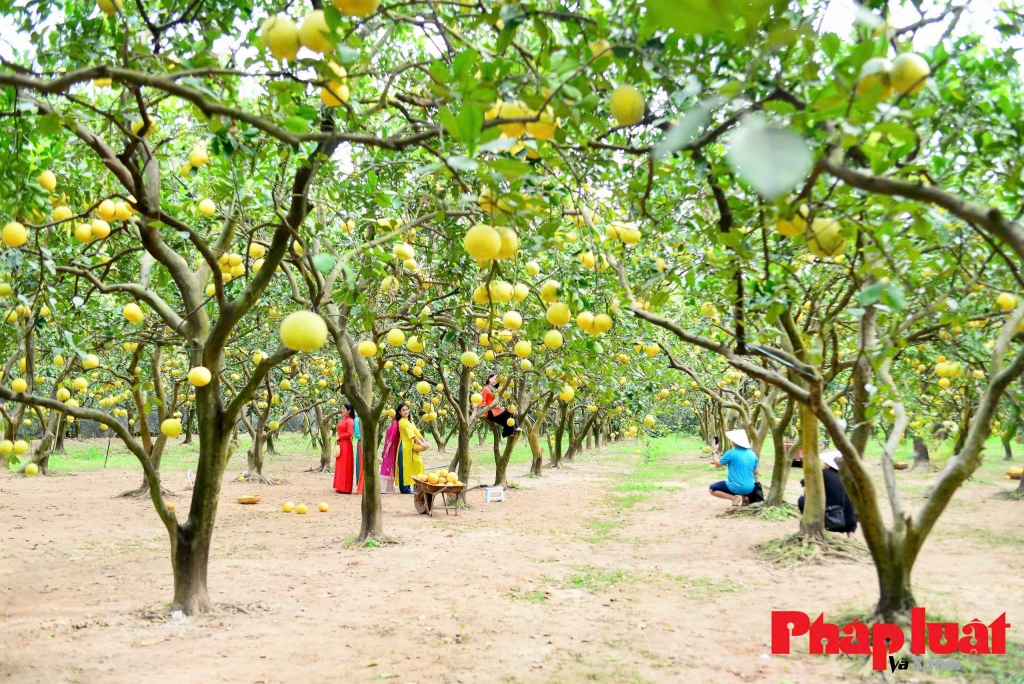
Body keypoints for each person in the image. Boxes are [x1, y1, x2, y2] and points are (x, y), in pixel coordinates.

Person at [798, 451, 858, 536]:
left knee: (802, 499)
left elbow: (806, 491)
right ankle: (851, 536)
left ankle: (811, 528)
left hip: (830, 519)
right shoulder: (850, 477)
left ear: (829, 464)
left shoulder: (823, 473)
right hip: (848, 521)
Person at [709, 429, 759, 506]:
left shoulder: (731, 453)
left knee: (712, 488)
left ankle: (735, 499)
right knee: (744, 480)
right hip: (750, 487)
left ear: (735, 442)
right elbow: (756, 472)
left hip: (735, 487)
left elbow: (718, 464)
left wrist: (715, 451)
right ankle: (745, 498)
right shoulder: (752, 454)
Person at [396, 403, 427, 494]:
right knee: (405, 467)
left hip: (412, 447)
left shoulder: (410, 421)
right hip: (405, 447)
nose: (406, 411)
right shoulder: (402, 421)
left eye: (407, 409)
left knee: (418, 463)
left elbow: (416, 432)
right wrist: (421, 443)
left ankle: (417, 485)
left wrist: (424, 441)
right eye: (403, 410)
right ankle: (405, 489)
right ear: (399, 412)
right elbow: (412, 435)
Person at [476, 373, 519, 438]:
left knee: (509, 412)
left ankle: (509, 432)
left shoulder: (494, 389)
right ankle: (510, 431)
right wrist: (476, 407)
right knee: (508, 412)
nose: (495, 381)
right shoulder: (486, 389)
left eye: (496, 380)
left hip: (495, 410)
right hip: (490, 412)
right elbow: (482, 400)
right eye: (494, 379)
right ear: (489, 378)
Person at [333, 403, 356, 494]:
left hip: (346, 445)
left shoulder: (350, 421)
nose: (342, 410)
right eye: (342, 409)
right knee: (340, 465)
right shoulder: (344, 419)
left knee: (345, 465)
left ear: (349, 410)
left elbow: (350, 433)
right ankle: (340, 486)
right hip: (341, 444)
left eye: (344, 409)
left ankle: (345, 488)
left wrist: (340, 437)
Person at [379, 408, 400, 495]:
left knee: (388, 465)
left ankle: (387, 488)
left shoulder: (395, 423)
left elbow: (392, 436)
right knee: (386, 465)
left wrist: (387, 448)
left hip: (391, 447)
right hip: (388, 446)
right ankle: (386, 488)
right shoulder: (392, 422)